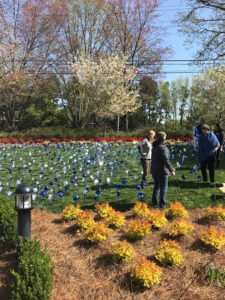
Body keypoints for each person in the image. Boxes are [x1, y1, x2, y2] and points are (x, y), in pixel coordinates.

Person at [150, 132, 175, 208]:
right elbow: (166, 160)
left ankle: (154, 202)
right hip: (162, 170)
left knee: (156, 186)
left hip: (154, 169)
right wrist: (171, 170)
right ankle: (162, 204)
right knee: (163, 188)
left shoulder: (154, 146)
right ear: (164, 139)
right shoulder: (163, 148)